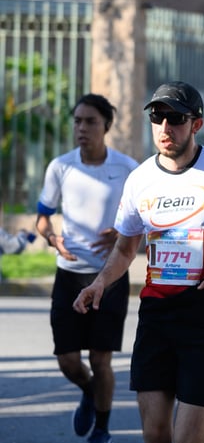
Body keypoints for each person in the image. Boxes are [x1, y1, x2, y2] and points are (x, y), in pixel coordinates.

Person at [72, 81, 204, 443]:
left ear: (196, 124)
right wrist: (100, 282)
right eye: (157, 116)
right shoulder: (139, 180)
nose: (165, 127)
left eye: (176, 118)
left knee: (188, 440)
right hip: (157, 313)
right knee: (155, 435)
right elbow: (124, 248)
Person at [35, 94, 138, 443]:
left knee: (101, 357)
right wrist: (52, 239)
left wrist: (124, 236)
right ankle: (90, 391)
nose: (82, 128)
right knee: (67, 359)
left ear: (106, 125)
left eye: (90, 121)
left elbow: (148, 221)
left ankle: (103, 429)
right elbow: (42, 217)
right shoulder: (60, 167)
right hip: (69, 273)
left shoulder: (128, 168)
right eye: (77, 121)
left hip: (109, 277)